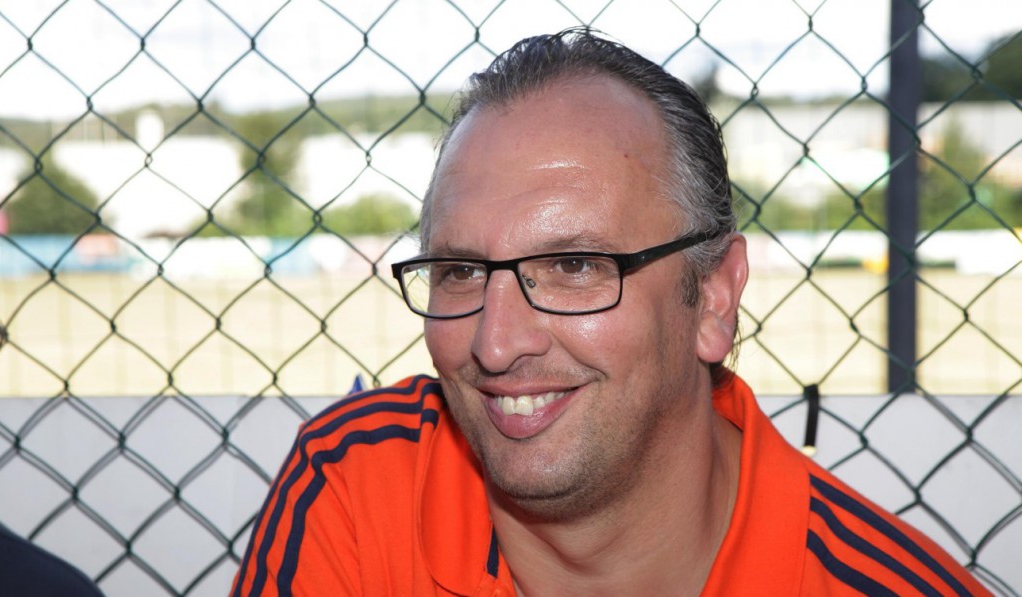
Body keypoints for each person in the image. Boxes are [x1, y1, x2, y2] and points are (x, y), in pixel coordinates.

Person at [232, 29, 990, 596]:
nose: (496, 343)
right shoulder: (358, 487)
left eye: (574, 266)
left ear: (714, 297)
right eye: (460, 271)